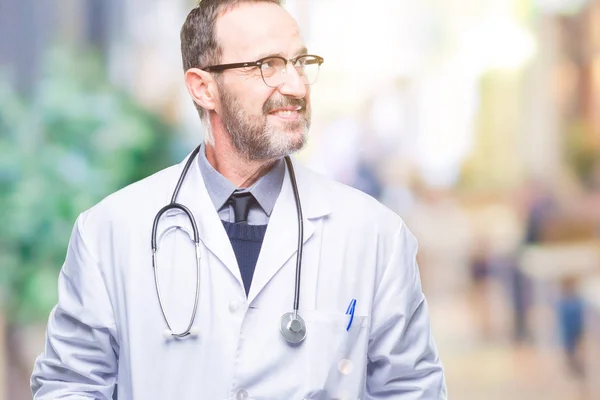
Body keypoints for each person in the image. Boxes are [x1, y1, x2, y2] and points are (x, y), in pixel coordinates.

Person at [30, 1, 447, 398]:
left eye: (300, 62)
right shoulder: (110, 232)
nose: (296, 85)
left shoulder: (375, 235)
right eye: (268, 65)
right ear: (203, 88)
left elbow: (410, 390)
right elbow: (70, 386)